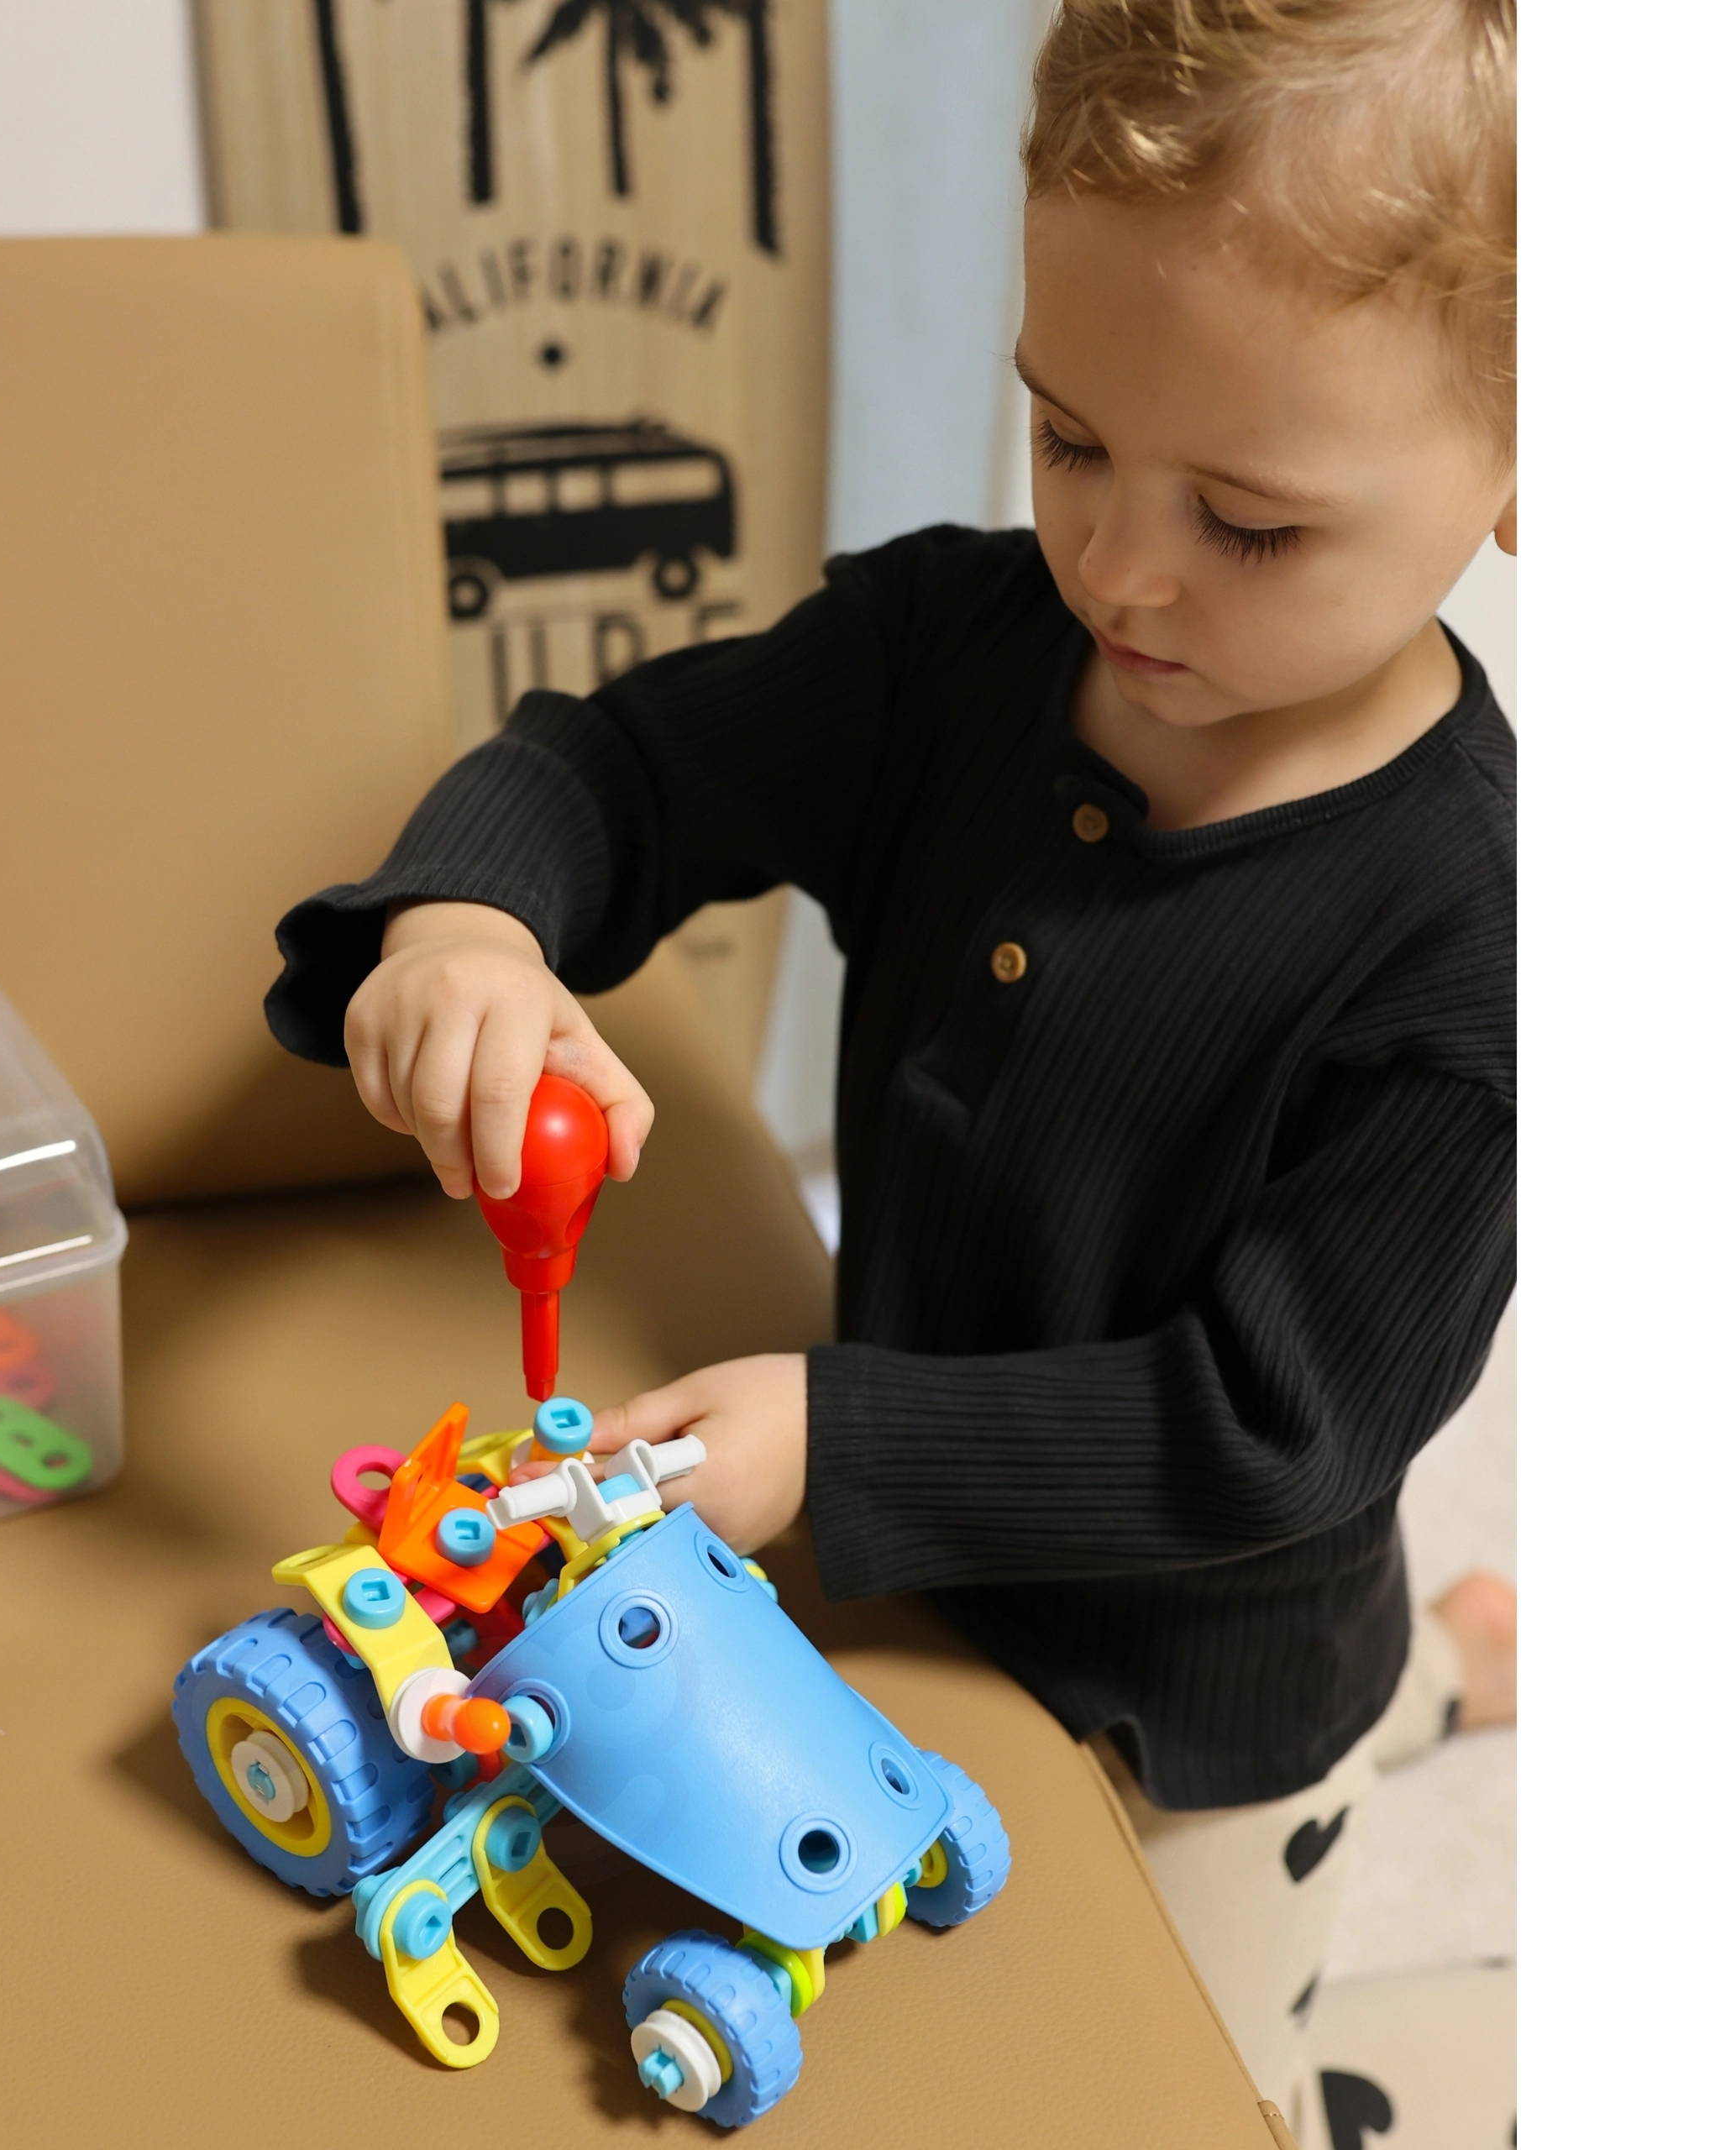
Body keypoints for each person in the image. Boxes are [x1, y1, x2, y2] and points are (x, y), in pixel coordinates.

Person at [265, 0, 1515, 2132]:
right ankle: (1464, 1651)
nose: (1116, 564)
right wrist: (463, 922)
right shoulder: (951, 646)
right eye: (1066, 436)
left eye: (1246, 520)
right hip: (898, 1589)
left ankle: (1433, 1673)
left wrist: (837, 1436)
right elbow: (624, 764)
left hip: (1202, 1704)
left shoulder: (1478, 948)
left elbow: (1267, 1425)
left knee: (1189, 2082)